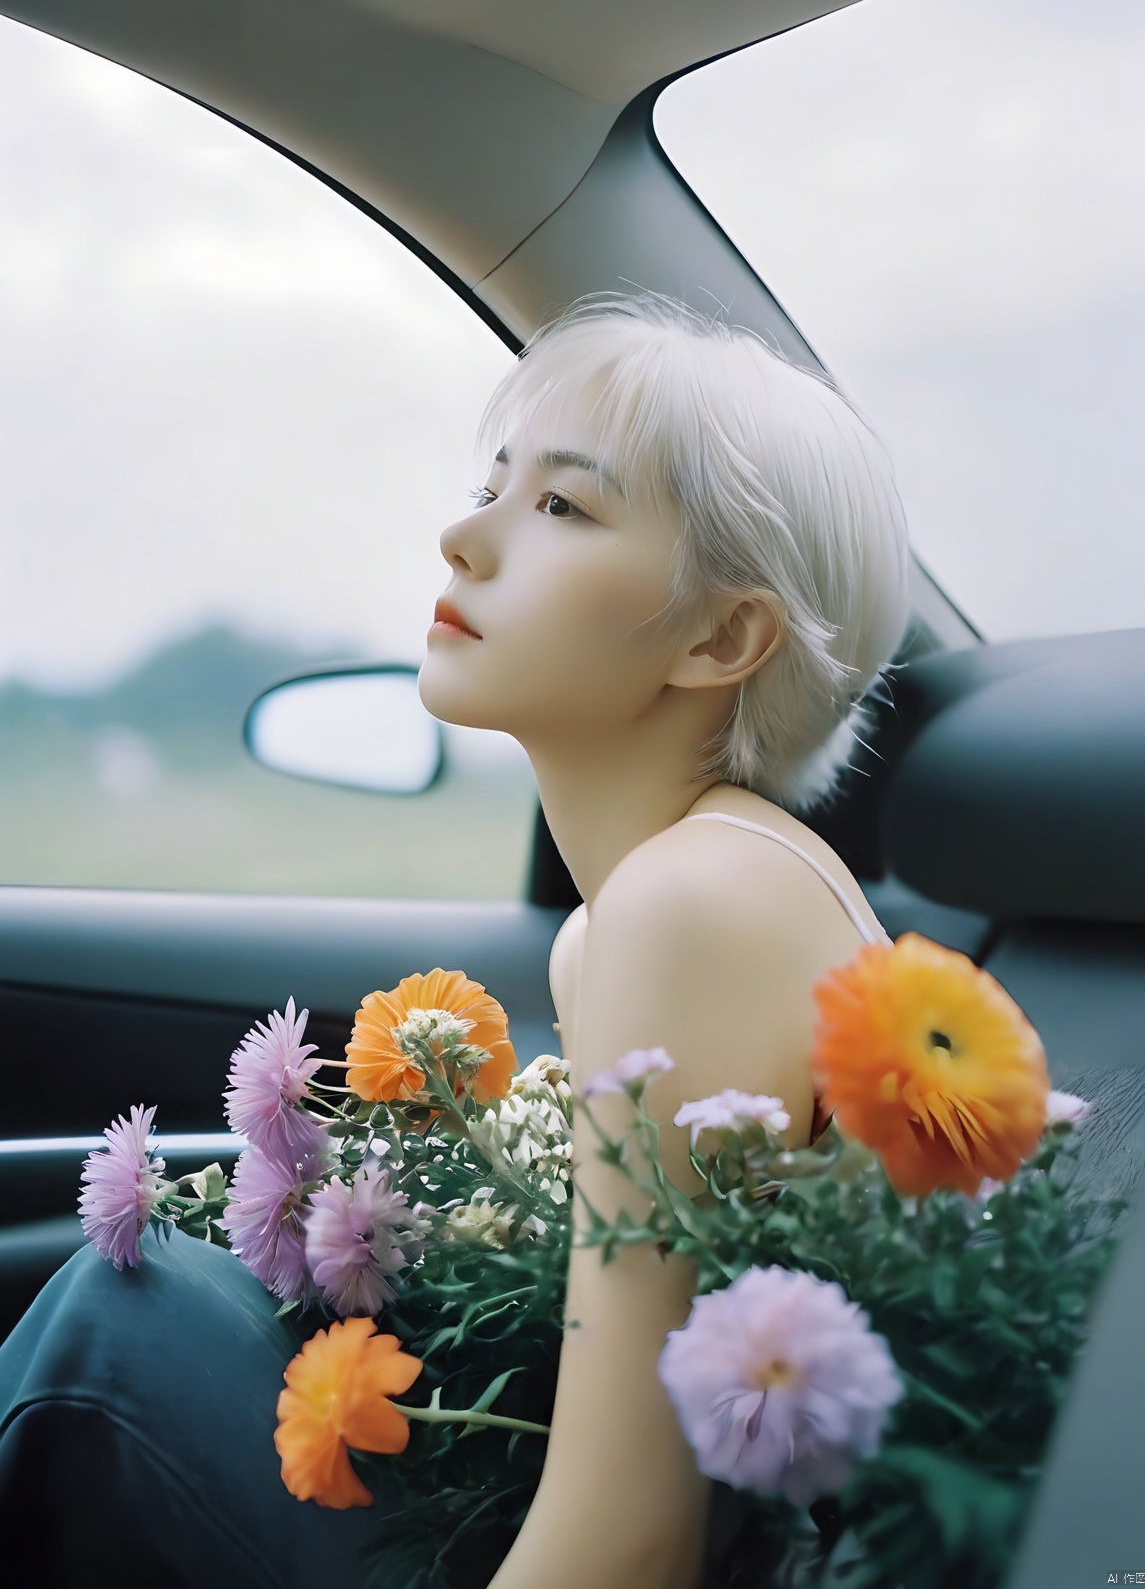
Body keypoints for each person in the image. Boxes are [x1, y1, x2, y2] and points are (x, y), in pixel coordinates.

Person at [0, 292, 909, 1588]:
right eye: (494, 485)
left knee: (117, 1320)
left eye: (562, 507)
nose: (463, 536)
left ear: (722, 636)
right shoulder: (630, 918)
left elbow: (638, 1532)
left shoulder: (687, 904)